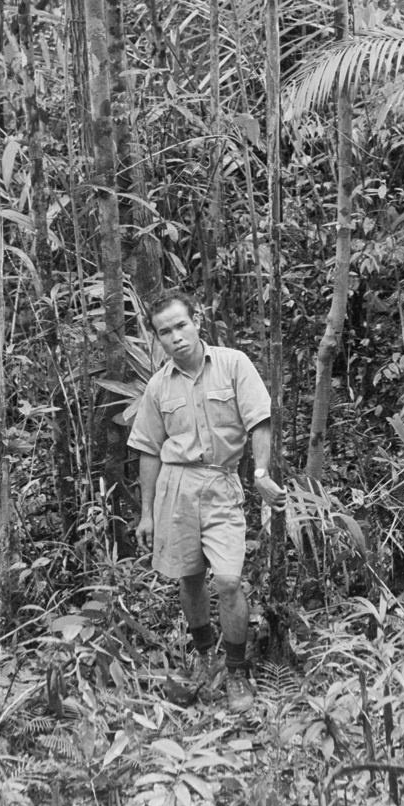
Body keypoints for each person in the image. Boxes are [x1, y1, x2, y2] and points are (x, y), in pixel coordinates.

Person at [129, 290, 284, 711]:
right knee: (190, 578)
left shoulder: (233, 365)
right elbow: (148, 449)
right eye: (165, 331)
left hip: (221, 484)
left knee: (230, 581)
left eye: (181, 325)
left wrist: (261, 474)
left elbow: (260, 421)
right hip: (175, 488)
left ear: (197, 321)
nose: (176, 337)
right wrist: (146, 515)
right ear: (156, 338)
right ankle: (203, 658)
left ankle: (237, 672)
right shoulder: (158, 386)